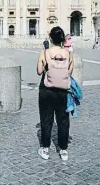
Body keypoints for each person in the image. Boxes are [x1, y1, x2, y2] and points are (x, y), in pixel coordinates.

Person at [36, 26, 74, 161]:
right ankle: (63, 150)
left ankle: (45, 149)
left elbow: (39, 71)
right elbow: (69, 72)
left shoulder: (45, 52)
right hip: (63, 91)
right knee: (63, 120)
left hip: (46, 90)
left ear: (50, 38)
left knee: (46, 119)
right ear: (63, 39)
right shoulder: (69, 54)